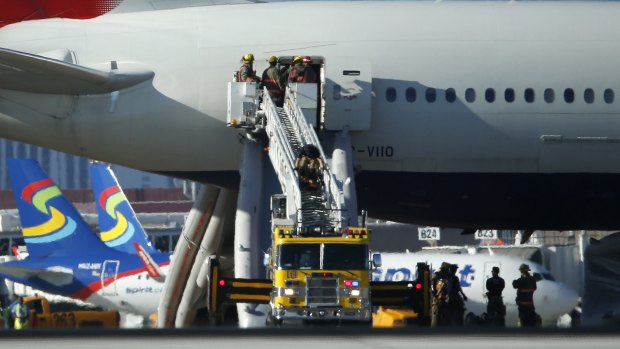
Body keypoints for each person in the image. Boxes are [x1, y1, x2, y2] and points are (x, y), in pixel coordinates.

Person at [431, 262, 450, 327]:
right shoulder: (437, 275)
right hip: (438, 298)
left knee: (444, 314)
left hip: (444, 297)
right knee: (436, 313)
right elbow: (432, 285)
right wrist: (434, 295)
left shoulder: (447, 276)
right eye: (447, 269)